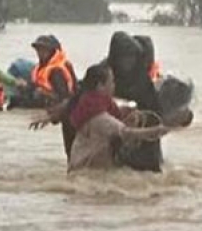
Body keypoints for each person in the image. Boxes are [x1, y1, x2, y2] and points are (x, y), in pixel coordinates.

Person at [61, 64, 191, 173]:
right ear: (100, 86)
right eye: (111, 81)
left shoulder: (89, 104)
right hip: (88, 173)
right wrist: (160, 129)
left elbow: (115, 122)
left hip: (83, 168)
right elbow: (127, 133)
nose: (114, 85)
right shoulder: (99, 117)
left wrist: (130, 114)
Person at [31, 35, 77, 105]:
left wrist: (45, 93)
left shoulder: (56, 71)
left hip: (58, 103)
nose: (40, 53)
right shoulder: (41, 66)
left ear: (52, 51)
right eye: (38, 49)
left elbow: (64, 97)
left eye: (44, 49)